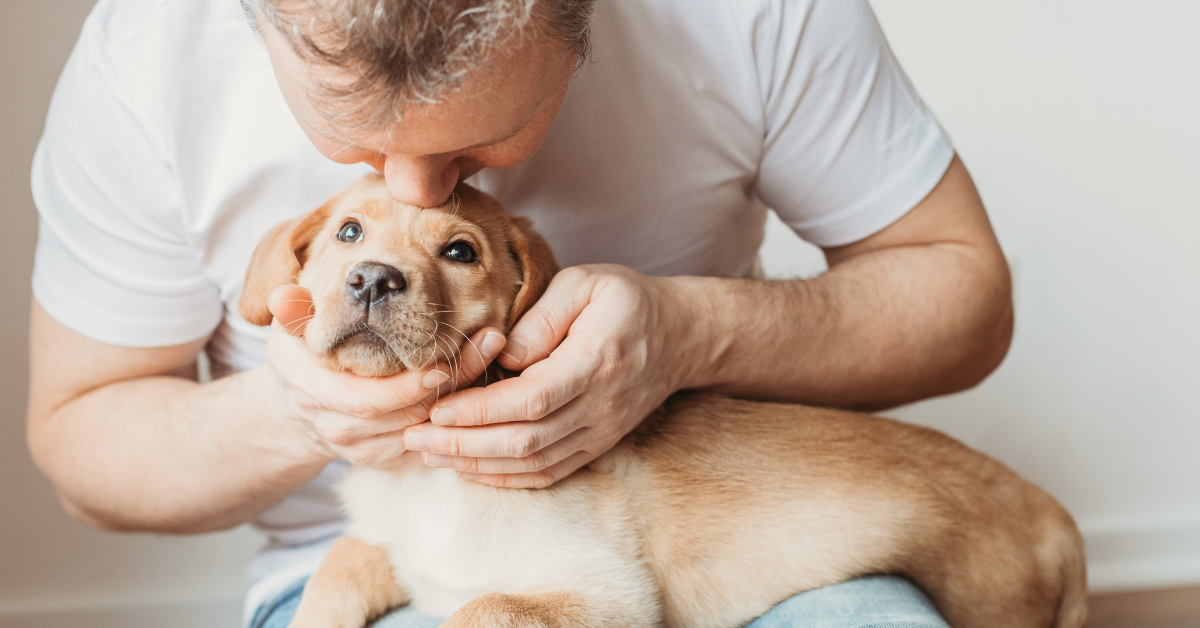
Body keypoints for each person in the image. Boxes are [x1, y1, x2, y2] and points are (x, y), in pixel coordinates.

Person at [26, 0, 1012, 625]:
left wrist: (694, 330)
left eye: (483, 141)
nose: (416, 194)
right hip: (385, 570)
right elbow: (80, 441)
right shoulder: (143, 58)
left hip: (732, 539)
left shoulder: (753, 14)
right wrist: (295, 412)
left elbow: (965, 295)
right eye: (352, 136)